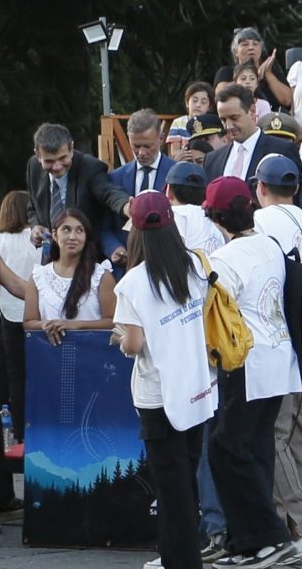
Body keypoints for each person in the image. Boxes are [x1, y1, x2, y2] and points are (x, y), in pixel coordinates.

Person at [198, 177, 299, 569]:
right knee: (253, 449)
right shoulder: (269, 244)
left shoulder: (226, 259)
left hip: (245, 362)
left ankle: (269, 538)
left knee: (226, 450)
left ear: (215, 216)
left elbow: (219, 314)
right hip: (278, 357)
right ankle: (248, 541)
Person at [112, 191, 215, 569]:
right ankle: (188, 556)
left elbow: (135, 343)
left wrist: (120, 338)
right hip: (195, 387)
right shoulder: (193, 266)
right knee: (186, 480)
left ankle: (180, 561)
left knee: (170, 490)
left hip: (157, 394)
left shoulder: (133, 283)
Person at [248, 156, 302, 564]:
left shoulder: (259, 224)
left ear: (260, 188)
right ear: (296, 187)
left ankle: (297, 529)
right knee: (299, 434)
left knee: (277, 435)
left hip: (281, 343)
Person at [26, 121, 131, 263]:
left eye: (63, 158)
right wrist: (36, 226)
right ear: (37, 155)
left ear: (71, 149)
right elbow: (33, 206)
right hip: (52, 262)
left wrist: (126, 206)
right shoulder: (33, 167)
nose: (57, 166)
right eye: (49, 161)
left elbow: (108, 192)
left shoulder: (89, 167)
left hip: (86, 263)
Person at [23, 208, 115, 345]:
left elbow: (114, 321)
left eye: (79, 231)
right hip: (51, 356)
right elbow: (28, 322)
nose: (73, 236)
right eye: (66, 230)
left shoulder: (101, 275)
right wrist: (45, 325)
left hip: (94, 355)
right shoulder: (38, 277)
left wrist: (75, 325)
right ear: (54, 235)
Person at [0, 192, 36, 455]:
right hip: (36, 312)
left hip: (7, 313)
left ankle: (19, 433)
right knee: (37, 375)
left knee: (16, 378)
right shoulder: (38, 237)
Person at [204, 86, 298, 190]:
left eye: (234, 118)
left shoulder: (282, 151)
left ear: (252, 111)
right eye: (223, 120)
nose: (229, 126)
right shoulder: (212, 160)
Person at [214, 27, 294, 112]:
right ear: (235, 51)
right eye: (245, 44)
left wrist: (268, 74)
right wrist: (248, 79)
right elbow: (220, 93)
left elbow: (287, 101)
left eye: (255, 44)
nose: (251, 47)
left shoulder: (272, 73)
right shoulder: (227, 72)